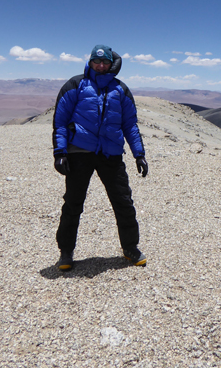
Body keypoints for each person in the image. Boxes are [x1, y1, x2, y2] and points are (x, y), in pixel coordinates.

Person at [52, 44, 149, 270]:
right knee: (73, 203)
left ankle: (130, 248)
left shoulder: (120, 90)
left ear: (111, 63)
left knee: (123, 202)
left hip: (111, 154)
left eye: (105, 62)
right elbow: (60, 122)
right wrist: (60, 152)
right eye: (97, 62)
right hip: (79, 153)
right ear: (90, 62)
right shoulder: (75, 85)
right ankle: (65, 252)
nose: (101, 65)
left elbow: (130, 125)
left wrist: (139, 154)